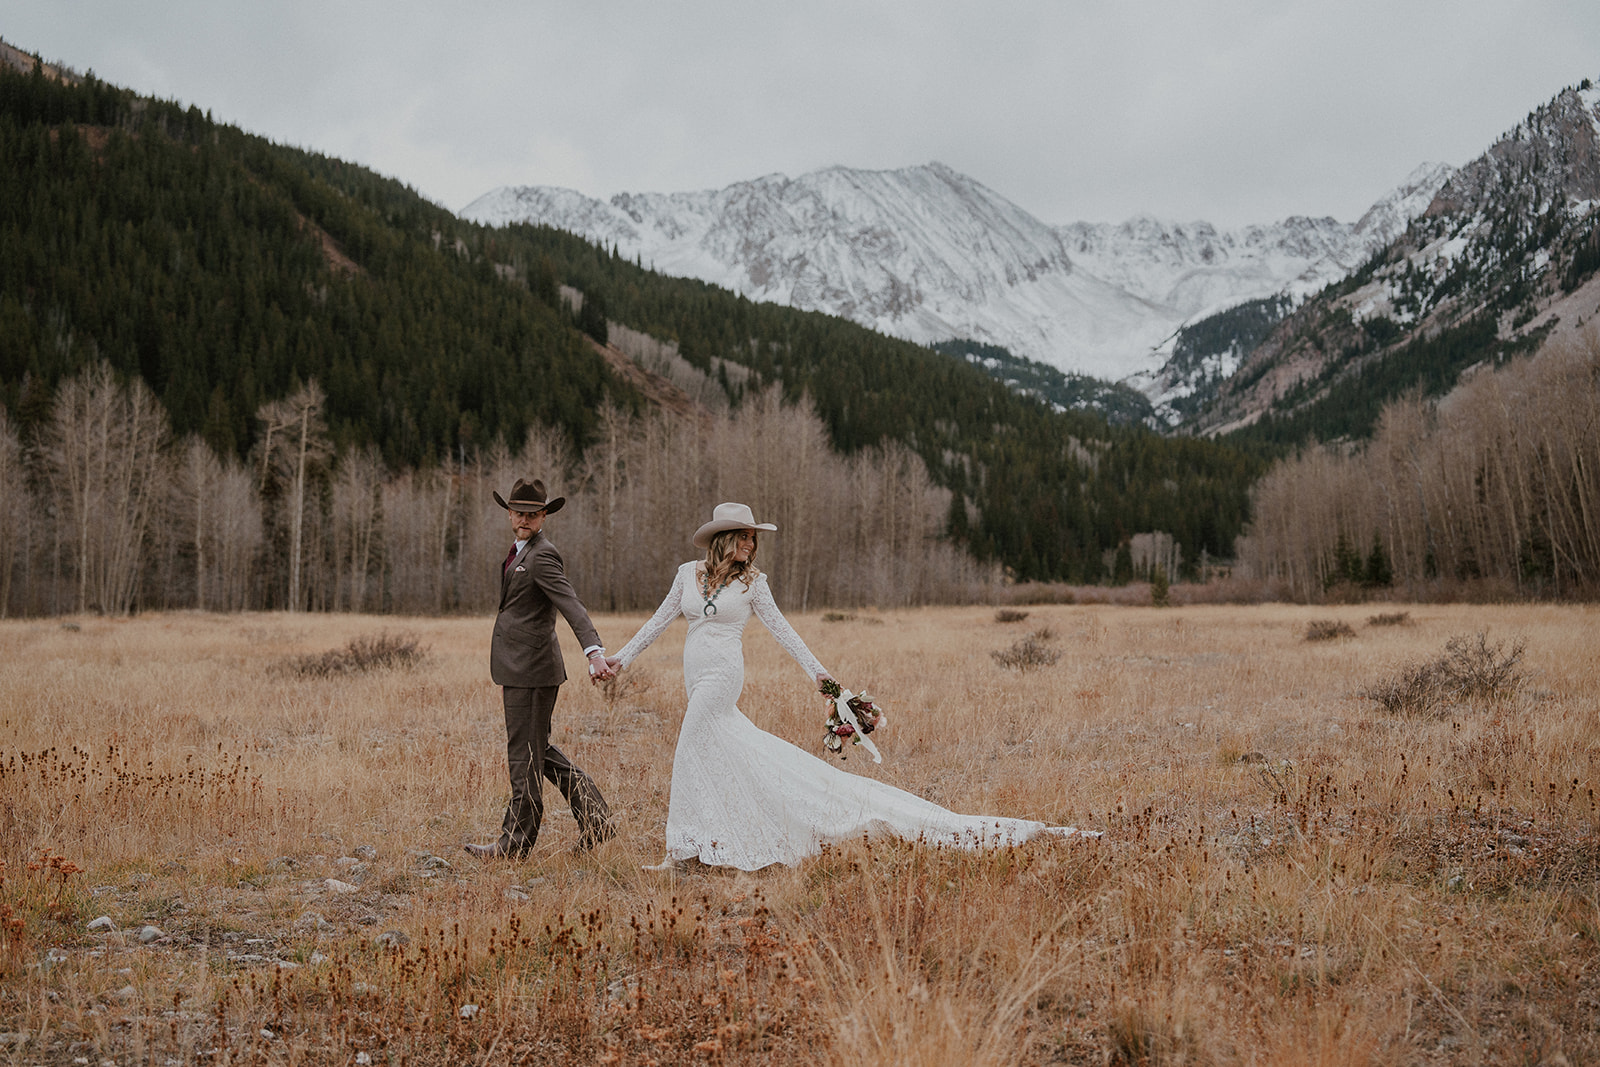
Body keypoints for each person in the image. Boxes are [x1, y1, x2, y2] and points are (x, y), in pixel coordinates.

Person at [606, 501, 1092, 871]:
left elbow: (784, 631)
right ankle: (712, 840)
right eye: (745, 538)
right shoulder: (686, 576)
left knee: (691, 746)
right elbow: (658, 621)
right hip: (694, 674)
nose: (751, 546)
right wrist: (620, 659)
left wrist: (819, 673)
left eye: (754, 540)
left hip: (723, 676)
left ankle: (682, 852)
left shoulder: (754, 582)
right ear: (724, 538)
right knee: (719, 754)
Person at [466, 478, 616, 860]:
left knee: (525, 755)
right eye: (518, 512)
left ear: (544, 516)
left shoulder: (542, 554)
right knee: (536, 751)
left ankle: (514, 843)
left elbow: (571, 604)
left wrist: (594, 651)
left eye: (532, 514)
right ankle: (596, 818)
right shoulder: (520, 550)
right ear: (510, 514)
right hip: (520, 667)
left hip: (532, 669)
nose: (523, 519)